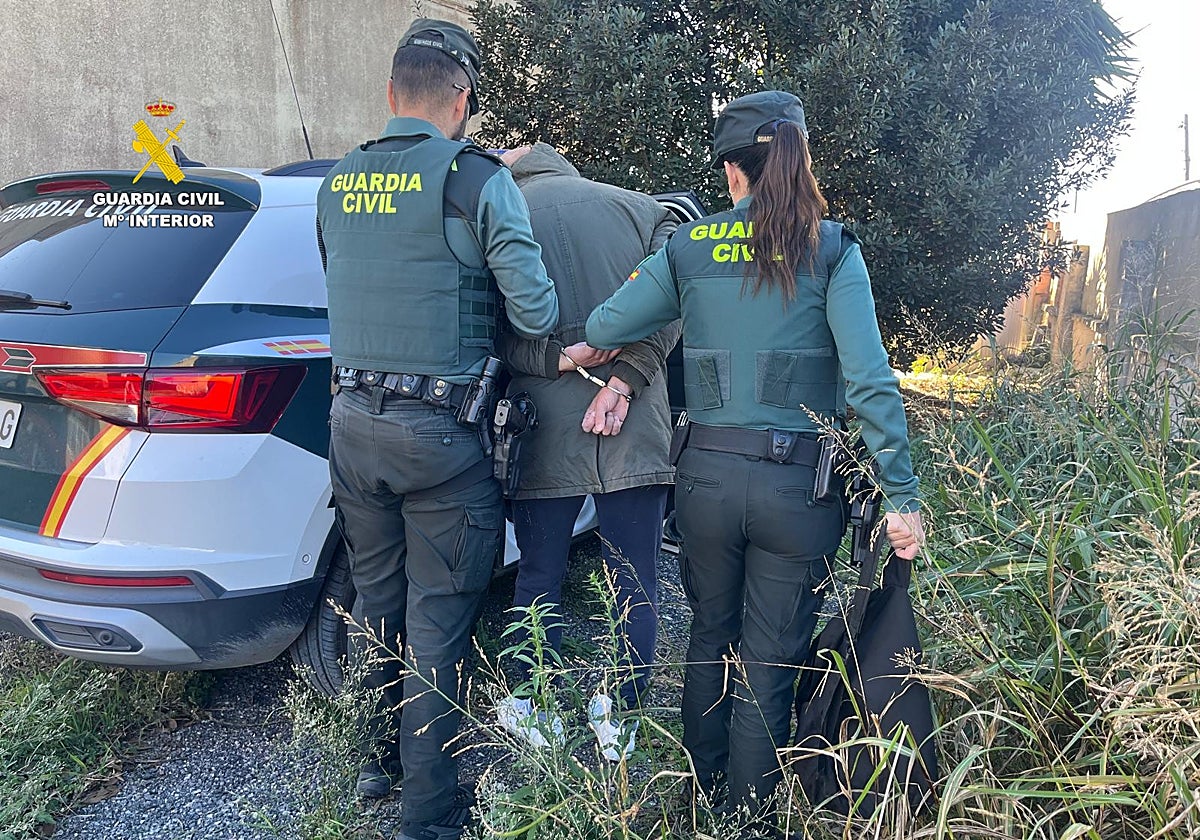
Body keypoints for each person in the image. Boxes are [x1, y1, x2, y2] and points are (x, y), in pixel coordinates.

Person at [585, 91, 925, 828]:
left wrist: (600, 352)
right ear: (799, 162)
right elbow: (868, 380)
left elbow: (607, 323)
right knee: (772, 656)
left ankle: (702, 797)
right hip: (796, 493)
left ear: (733, 174)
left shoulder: (688, 247)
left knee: (709, 634)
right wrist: (901, 493)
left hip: (703, 481)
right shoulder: (832, 249)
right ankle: (748, 816)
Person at [315, 19, 558, 840]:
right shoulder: (476, 180)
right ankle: (430, 814)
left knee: (375, 601)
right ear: (462, 101)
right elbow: (536, 310)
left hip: (352, 428)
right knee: (439, 618)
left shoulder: (336, 180)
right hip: (443, 441)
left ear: (391, 94)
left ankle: (374, 763)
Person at [490, 143, 680, 761]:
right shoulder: (642, 211)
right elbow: (679, 301)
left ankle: (528, 705)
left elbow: (490, 333)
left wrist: (557, 358)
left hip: (543, 430)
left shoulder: (503, 217)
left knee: (538, 574)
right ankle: (620, 721)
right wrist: (628, 374)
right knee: (637, 579)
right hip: (636, 424)